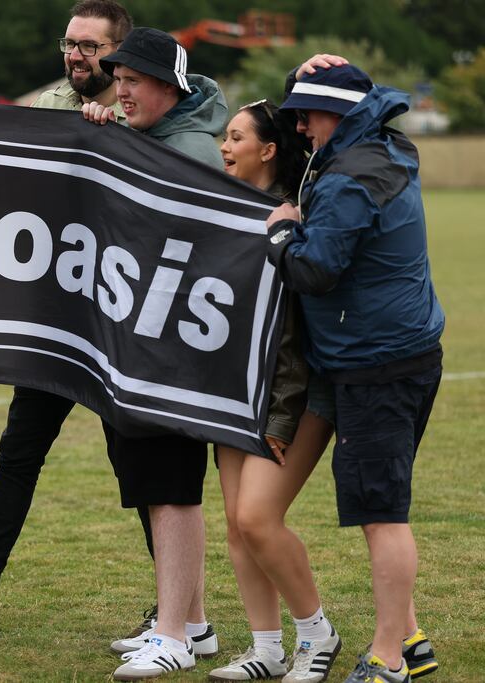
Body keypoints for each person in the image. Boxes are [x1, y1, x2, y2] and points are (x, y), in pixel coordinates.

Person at [0, 0, 192, 645]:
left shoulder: (145, 116)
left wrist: (116, 132)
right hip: (53, 315)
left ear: (120, 56)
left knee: (138, 466)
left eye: (92, 47)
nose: (77, 56)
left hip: (118, 321)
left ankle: (175, 613)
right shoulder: (47, 105)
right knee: (17, 457)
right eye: (70, 43)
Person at [265, 62, 444, 683]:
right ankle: (412, 640)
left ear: (336, 116)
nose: (300, 127)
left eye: (307, 115)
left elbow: (315, 270)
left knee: (382, 512)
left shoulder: (348, 180)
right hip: (397, 354)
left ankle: (388, 658)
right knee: (380, 505)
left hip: (375, 365)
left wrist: (285, 233)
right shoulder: (386, 145)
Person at [80, 27, 228, 679]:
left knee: (171, 490)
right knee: (158, 482)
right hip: (146, 343)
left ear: (171, 86)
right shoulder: (164, 136)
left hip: (170, 349)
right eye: (119, 78)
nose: (123, 89)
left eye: (135, 80)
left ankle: (170, 632)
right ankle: (191, 624)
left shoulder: (187, 148)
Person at [208, 99, 341, 682]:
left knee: (259, 518)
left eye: (235, 138)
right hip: (233, 391)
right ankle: (266, 648)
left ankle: (317, 633)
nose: (224, 147)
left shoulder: (291, 218)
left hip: (290, 395)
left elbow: (292, 333)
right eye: (223, 137)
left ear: (267, 149)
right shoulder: (224, 206)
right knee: (237, 525)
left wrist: (281, 418)